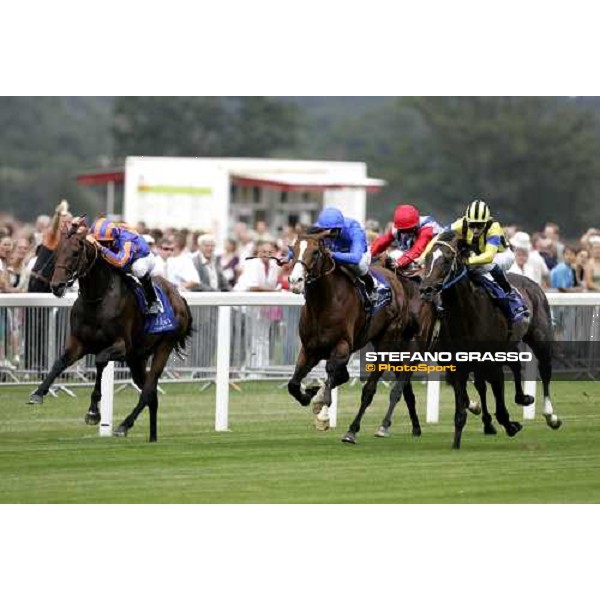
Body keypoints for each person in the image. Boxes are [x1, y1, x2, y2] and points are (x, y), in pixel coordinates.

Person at [447, 199, 529, 326]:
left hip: (501, 256)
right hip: (480, 256)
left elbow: (489, 256)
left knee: (486, 266)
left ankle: (512, 296)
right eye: (472, 225)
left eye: (479, 225)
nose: (475, 229)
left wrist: (466, 261)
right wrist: (423, 257)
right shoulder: (460, 224)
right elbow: (440, 236)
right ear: (467, 220)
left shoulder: (494, 228)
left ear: (486, 222)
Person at [87, 216, 161, 314]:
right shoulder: (108, 233)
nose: (102, 244)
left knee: (138, 269)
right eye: (99, 241)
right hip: (126, 259)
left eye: (104, 242)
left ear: (113, 238)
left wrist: (101, 248)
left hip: (143, 258)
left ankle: (153, 300)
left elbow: (120, 261)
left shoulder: (126, 240)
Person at [309, 206, 376, 306]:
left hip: (356, 255)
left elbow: (355, 258)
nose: (327, 235)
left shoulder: (355, 229)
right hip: (334, 252)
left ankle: (372, 288)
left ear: (339, 228)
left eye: (331, 232)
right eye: (324, 231)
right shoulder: (319, 226)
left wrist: (332, 254)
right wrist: (288, 257)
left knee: (360, 266)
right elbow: (302, 243)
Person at [371, 204, 443, 270]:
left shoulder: (428, 228)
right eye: (402, 230)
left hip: (438, 257)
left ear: (416, 223)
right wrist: (368, 255)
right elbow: (381, 243)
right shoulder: (397, 228)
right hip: (415, 257)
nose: (405, 233)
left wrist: (400, 262)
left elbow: (418, 249)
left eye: (408, 230)